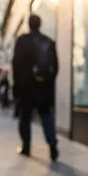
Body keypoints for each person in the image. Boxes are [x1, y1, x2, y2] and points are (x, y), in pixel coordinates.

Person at [12, 14, 59, 160]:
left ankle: (26, 147)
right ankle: (52, 146)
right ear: (40, 24)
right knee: (46, 117)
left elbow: (16, 65)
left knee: (25, 117)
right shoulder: (49, 42)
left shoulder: (22, 40)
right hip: (44, 90)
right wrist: (47, 83)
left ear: (29, 24)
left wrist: (17, 85)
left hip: (26, 89)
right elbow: (56, 67)